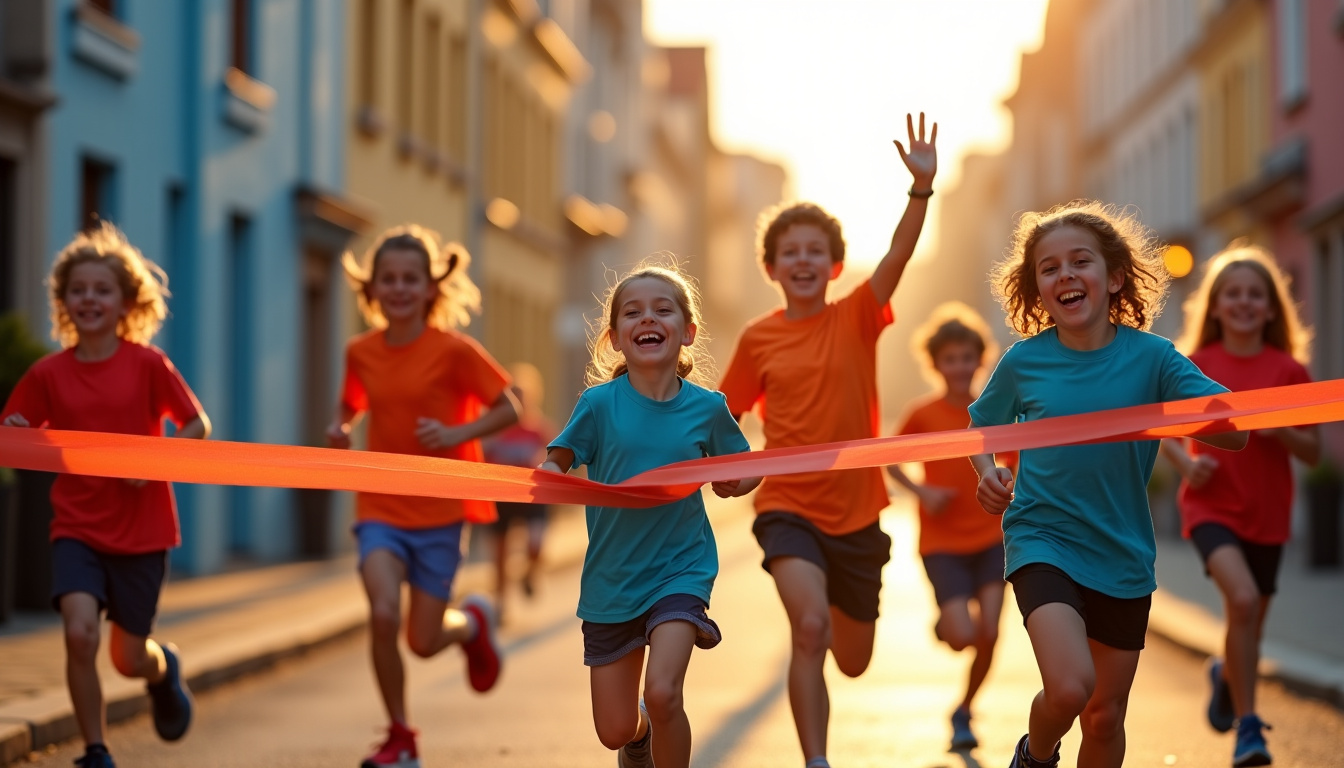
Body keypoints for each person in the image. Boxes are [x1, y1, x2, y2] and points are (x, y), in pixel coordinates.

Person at [967, 201, 1248, 768]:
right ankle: (1034, 757)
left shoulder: (1154, 358)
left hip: (1122, 551)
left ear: (1115, 277)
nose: (1065, 275)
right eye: (1049, 268)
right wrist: (988, 472)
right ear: (1038, 291)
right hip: (1042, 538)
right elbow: (983, 427)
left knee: (1103, 716)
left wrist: (1208, 410)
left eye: (1080, 262)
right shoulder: (1024, 362)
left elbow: (1234, 433)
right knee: (1070, 687)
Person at [717, 112, 937, 768]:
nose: (803, 260)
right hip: (787, 506)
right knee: (809, 629)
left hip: (858, 512)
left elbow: (897, 256)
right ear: (772, 268)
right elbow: (721, 418)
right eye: (791, 252)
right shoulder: (758, 338)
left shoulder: (858, 315)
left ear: (836, 264)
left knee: (854, 658)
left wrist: (920, 189)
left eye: (816, 251)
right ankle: (816, 760)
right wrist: (725, 467)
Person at [1, 223, 209, 768]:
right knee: (79, 633)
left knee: (128, 658)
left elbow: (196, 425)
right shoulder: (48, 374)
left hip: (143, 530)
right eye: (78, 290)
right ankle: (95, 750)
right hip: (77, 527)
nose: (89, 299)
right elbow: (12, 435)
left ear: (125, 302)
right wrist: (16, 431)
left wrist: (155, 460)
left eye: (102, 290)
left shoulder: (148, 364)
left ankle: (162, 671)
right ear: (64, 301)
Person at [539, 259, 760, 768]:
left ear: (688, 332)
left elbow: (748, 466)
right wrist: (548, 473)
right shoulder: (598, 405)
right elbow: (559, 459)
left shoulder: (708, 407)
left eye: (663, 310)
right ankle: (640, 737)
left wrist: (737, 483)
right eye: (633, 313)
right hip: (613, 579)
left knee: (663, 692)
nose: (648, 319)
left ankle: (658, 727)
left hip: (680, 570)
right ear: (616, 338)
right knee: (614, 729)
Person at [327, 224, 519, 768]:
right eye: (388, 279)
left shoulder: (454, 350)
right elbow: (351, 402)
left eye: (410, 278)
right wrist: (342, 428)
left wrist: (457, 433)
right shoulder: (360, 351)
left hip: (441, 509)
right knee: (383, 614)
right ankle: (400, 735)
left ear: (431, 287)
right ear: (371, 288)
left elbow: (509, 406)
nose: (399, 288)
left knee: (423, 641)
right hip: (380, 508)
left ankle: (471, 624)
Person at [1160, 243, 1319, 768]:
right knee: (1243, 602)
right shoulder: (1196, 366)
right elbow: (1163, 431)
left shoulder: (1289, 370)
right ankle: (1249, 729)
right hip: (1210, 507)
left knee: (1250, 622)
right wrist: (1186, 467)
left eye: (1255, 294)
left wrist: (1282, 429)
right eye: (1233, 293)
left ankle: (1226, 672)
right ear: (1215, 305)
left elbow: (1313, 451)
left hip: (1269, 515)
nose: (1244, 302)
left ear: (1271, 308)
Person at [887, 302, 1013, 752]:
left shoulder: (996, 409)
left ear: (980, 360)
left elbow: (1017, 458)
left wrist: (1011, 483)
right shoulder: (923, 414)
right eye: (950, 359)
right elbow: (890, 459)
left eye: (967, 358)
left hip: (992, 537)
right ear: (936, 364)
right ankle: (947, 625)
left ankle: (964, 709)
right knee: (963, 637)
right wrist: (922, 492)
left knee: (990, 632)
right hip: (941, 541)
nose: (959, 367)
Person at [483, 362, 557, 621]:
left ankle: (531, 570)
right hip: (501, 494)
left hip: (532, 496)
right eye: (512, 396)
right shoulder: (494, 430)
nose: (518, 402)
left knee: (535, 543)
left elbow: (559, 458)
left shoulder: (539, 430)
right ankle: (501, 603)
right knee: (500, 551)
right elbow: (480, 456)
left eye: (522, 397)